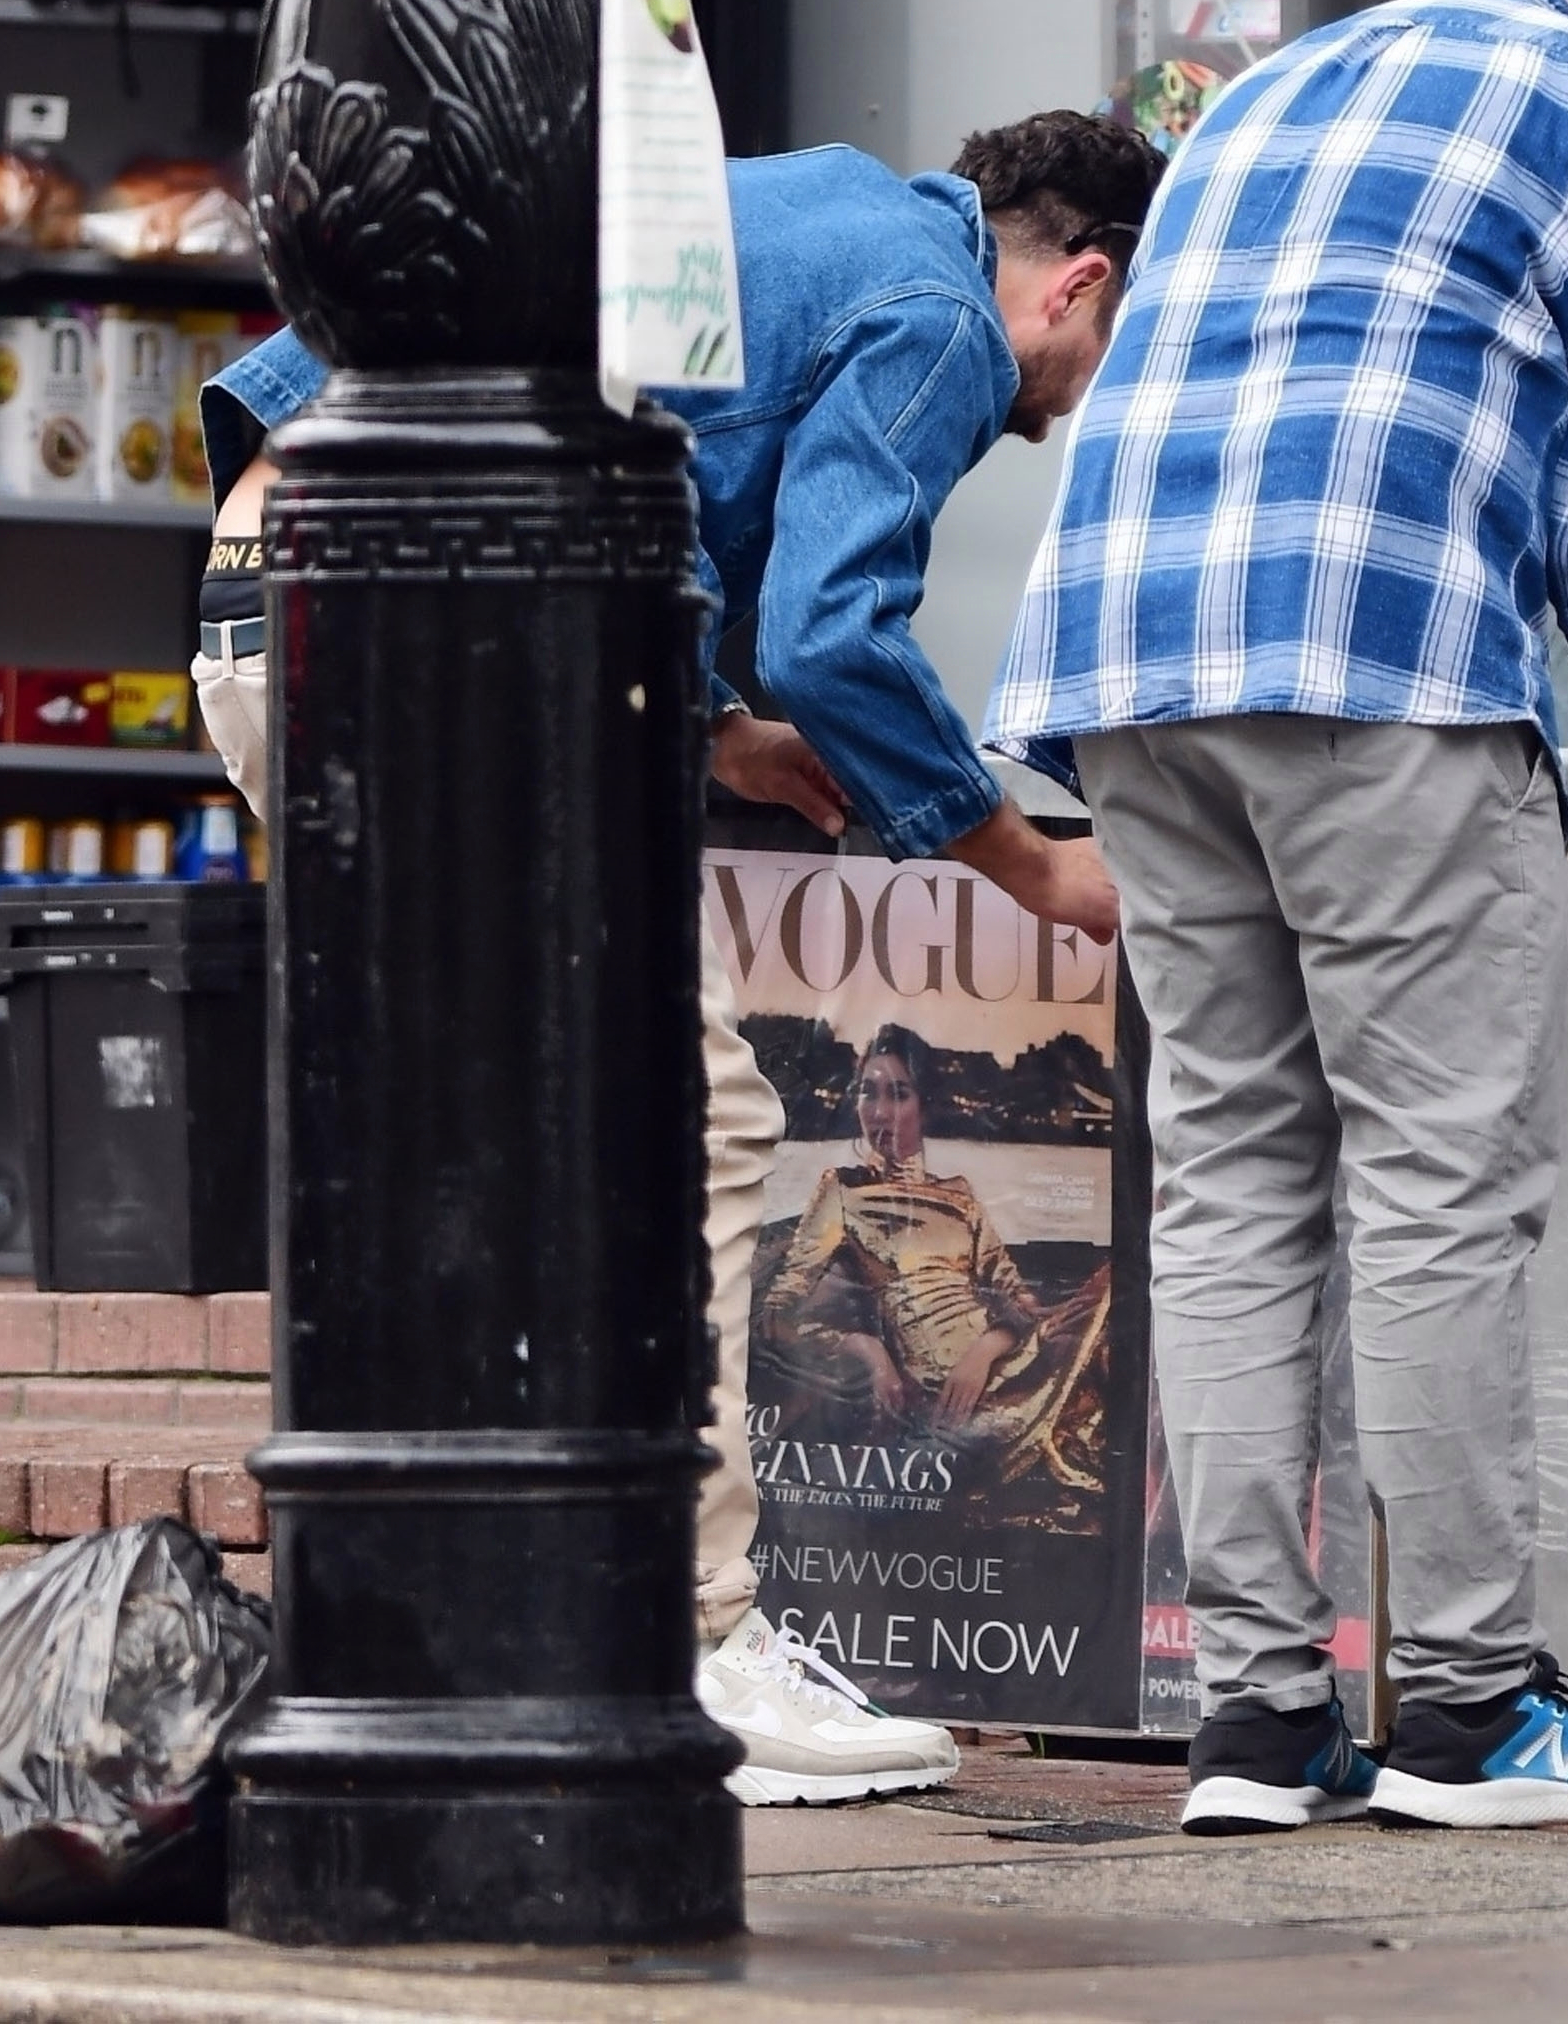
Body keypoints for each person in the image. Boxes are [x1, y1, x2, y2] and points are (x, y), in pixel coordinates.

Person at [988, 0, 1568, 1835]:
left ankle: (1257, 1721)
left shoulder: (1276, 82)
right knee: (1440, 1175)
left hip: (1124, 653)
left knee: (1228, 1176)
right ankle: (1462, 1706)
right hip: (1373, 652)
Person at [194, 109, 1161, 1805]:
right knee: (685, 1117)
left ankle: (481, 1624)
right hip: (442, 595)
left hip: (282, 587)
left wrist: (718, 739)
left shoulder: (813, 208)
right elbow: (832, 627)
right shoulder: (939, 309)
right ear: (1076, 281)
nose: (1070, 403)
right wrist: (1023, 859)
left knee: (487, 1134)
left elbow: (644, 440)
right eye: (1104, 356)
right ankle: (699, 1642)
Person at [758, 1024, 1111, 1510]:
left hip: (995, 1361)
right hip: (940, 1389)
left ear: (923, 1107)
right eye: (868, 1093)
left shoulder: (958, 1194)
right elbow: (780, 1312)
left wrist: (985, 1350)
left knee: (1116, 1293)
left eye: (898, 1094)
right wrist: (867, 1350)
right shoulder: (844, 1190)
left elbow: (1017, 1296)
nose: (879, 1112)